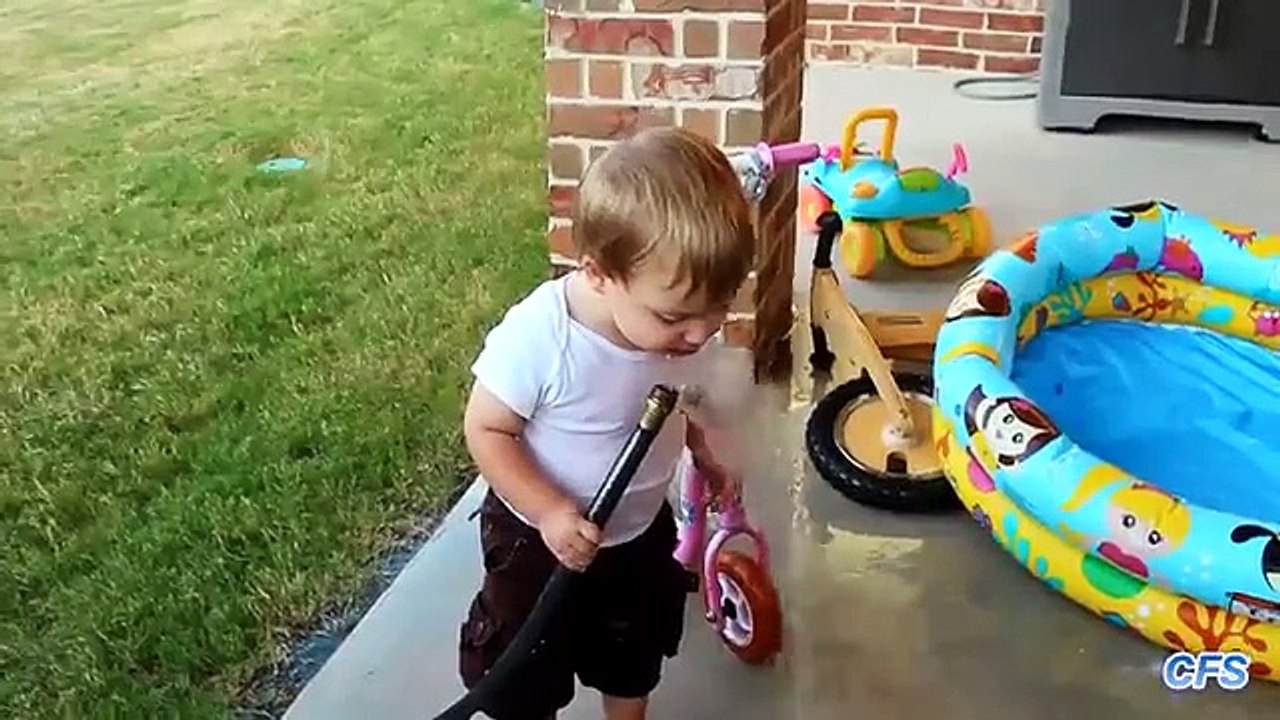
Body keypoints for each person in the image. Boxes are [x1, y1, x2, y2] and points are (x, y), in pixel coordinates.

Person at [457, 126, 756, 720]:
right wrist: (548, 511)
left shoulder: (680, 326)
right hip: (535, 538)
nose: (701, 333)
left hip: (638, 531)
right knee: (526, 665)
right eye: (677, 317)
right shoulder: (545, 336)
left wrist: (708, 451)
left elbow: (681, 398)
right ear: (598, 273)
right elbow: (487, 429)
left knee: (632, 650)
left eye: (719, 307)